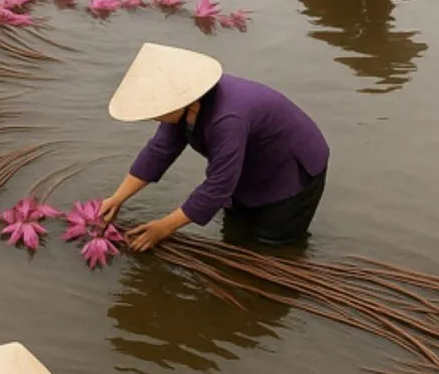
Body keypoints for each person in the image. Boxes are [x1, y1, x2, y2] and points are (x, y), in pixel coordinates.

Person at [100, 44, 330, 251]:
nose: (153, 117)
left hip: (290, 167)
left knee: (271, 244)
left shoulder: (227, 119)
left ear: (182, 102)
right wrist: (117, 198)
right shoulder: (183, 106)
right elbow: (159, 151)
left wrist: (164, 227)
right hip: (247, 162)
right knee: (235, 233)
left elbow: (218, 184)